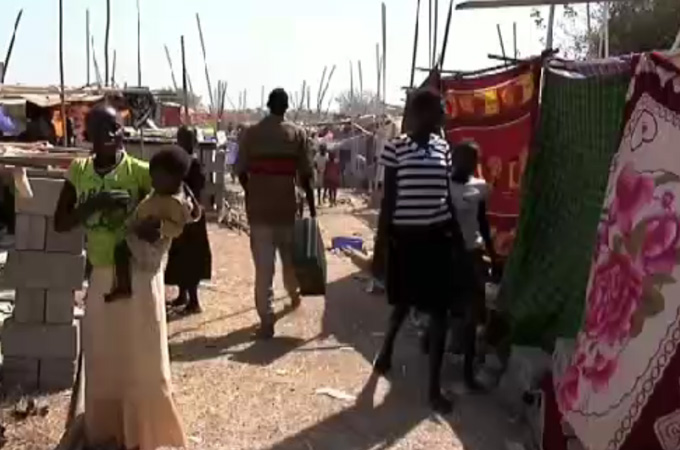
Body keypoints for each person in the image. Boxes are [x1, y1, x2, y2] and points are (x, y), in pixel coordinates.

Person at [53, 104, 187, 450]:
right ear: (89, 135)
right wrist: (93, 203)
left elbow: (179, 202)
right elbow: (61, 222)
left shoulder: (140, 171)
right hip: (101, 278)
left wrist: (157, 228)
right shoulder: (79, 172)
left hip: (140, 279)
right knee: (104, 362)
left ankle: (145, 436)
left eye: (117, 127)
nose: (114, 134)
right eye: (105, 128)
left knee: (144, 362)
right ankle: (107, 434)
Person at [372, 88, 474, 414]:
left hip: (437, 238)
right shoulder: (395, 148)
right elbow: (389, 200)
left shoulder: (443, 148)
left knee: (439, 312)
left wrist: (457, 240)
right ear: (422, 113)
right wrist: (381, 245)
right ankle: (386, 349)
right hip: (406, 240)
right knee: (403, 304)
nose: (444, 115)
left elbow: (445, 196)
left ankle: (433, 389)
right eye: (439, 110)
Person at [236, 88, 316, 339]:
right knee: (290, 261)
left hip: (259, 211)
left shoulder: (251, 134)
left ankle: (267, 320)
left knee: (264, 270)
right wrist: (313, 210)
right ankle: (294, 294)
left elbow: (240, 171)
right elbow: (306, 176)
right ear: (286, 107)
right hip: (287, 210)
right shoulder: (297, 134)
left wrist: (252, 191)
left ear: (268, 105)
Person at [105, 146, 197, 303]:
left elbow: (177, 229)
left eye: (157, 179)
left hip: (150, 244)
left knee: (121, 250)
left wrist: (159, 226)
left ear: (173, 179)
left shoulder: (175, 203)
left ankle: (124, 286)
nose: (153, 183)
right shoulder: (162, 191)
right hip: (141, 233)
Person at [165, 126, 213, 314]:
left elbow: (195, 190)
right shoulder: (182, 162)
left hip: (192, 218)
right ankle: (182, 296)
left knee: (190, 259)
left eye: (183, 139)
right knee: (179, 257)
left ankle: (194, 302)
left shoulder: (193, 164)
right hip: (181, 215)